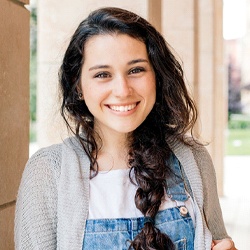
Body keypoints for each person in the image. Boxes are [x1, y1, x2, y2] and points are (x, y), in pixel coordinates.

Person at [15, 7, 237, 250]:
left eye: (135, 70)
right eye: (102, 74)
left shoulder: (193, 160)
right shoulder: (47, 173)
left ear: (157, 76)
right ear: (78, 85)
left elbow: (219, 241)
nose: (122, 90)